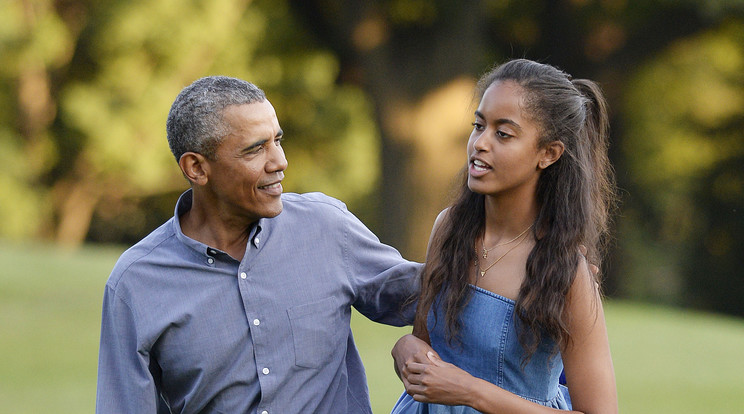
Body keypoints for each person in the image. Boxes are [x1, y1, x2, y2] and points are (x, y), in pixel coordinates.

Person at [95, 76, 421, 414]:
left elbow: (441, 296)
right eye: (255, 149)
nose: (279, 161)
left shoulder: (326, 228)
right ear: (196, 168)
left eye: (277, 141)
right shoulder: (136, 283)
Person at [390, 59, 619, 413]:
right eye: (478, 125)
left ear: (548, 153)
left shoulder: (565, 271)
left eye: (503, 133)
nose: (480, 143)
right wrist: (406, 348)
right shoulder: (448, 228)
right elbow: (426, 343)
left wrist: (471, 391)